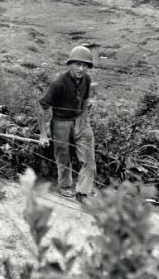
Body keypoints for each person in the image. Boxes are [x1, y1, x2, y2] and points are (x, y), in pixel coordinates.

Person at [38, 45, 96, 204]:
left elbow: (85, 100)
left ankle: (83, 192)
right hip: (61, 123)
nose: (81, 69)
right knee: (63, 156)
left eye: (85, 65)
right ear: (70, 64)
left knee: (89, 158)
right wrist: (43, 134)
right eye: (77, 64)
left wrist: (85, 119)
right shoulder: (59, 83)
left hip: (80, 120)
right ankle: (65, 186)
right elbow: (43, 106)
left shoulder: (87, 80)